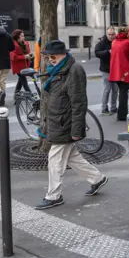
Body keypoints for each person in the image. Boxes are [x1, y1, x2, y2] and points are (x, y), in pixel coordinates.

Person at [35, 40, 108, 210]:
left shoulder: (74, 70)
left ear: (63, 54)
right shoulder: (58, 69)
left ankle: (54, 196)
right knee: (72, 157)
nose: (50, 59)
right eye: (47, 56)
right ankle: (97, 179)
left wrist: (76, 130)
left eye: (52, 56)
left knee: (55, 160)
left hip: (64, 123)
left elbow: (79, 102)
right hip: (58, 121)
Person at [109, 26, 129, 121]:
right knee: (123, 92)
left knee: (121, 91)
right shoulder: (128, 42)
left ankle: (121, 112)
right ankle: (122, 114)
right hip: (124, 71)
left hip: (115, 71)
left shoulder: (114, 42)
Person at [95, 27, 118, 116]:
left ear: (115, 34)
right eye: (109, 34)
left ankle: (113, 107)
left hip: (115, 70)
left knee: (115, 89)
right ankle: (104, 108)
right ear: (106, 34)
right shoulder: (102, 43)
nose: (111, 36)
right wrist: (108, 52)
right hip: (106, 69)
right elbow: (97, 53)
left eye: (113, 34)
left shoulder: (117, 41)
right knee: (107, 89)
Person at [10, 29, 32, 94]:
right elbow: (13, 57)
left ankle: (16, 94)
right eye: (22, 36)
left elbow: (28, 52)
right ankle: (30, 95)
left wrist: (29, 55)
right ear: (17, 37)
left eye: (23, 36)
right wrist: (24, 57)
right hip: (18, 67)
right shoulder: (13, 45)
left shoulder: (25, 43)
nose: (24, 37)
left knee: (21, 81)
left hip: (25, 65)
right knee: (24, 82)